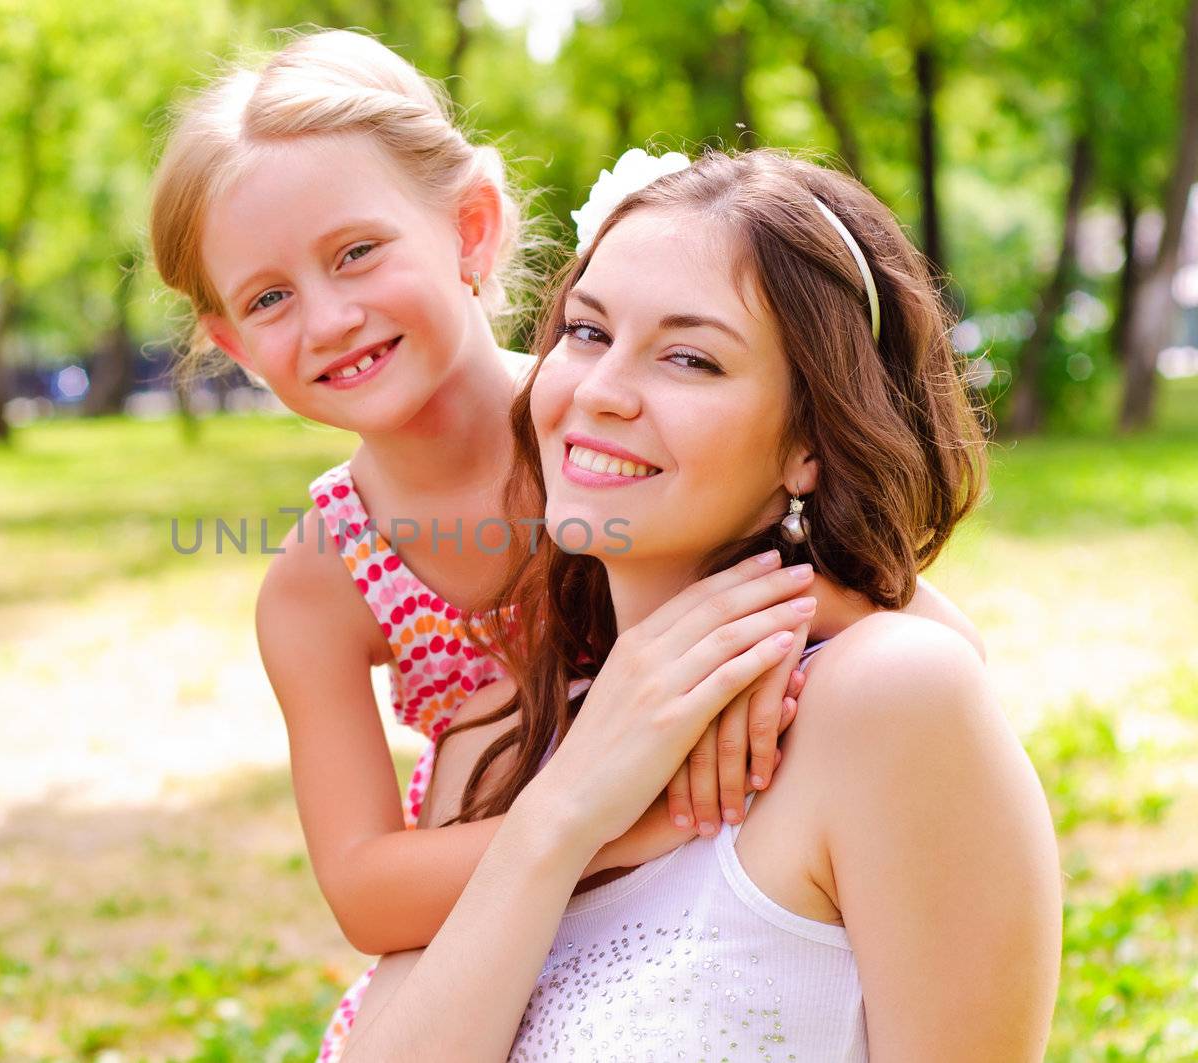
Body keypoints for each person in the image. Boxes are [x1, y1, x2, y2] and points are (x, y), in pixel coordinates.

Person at [148, 31, 983, 1059]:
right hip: (493, 906)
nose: (327, 318)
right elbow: (364, 888)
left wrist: (755, 649)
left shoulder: (599, 434)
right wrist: (630, 808)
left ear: (471, 229)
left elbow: (924, 641)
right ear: (232, 341)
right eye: (269, 298)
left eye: (356, 252)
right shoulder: (322, 581)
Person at [343, 147, 1061, 1061]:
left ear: (809, 442)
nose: (599, 392)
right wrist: (562, 815)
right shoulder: (497, 735)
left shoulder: (889, 697)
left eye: (689, 358)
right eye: (587, 332)